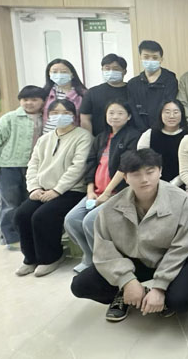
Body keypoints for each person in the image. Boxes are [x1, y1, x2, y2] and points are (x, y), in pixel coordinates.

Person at [70, 149, 188, 321]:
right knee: (80, 285)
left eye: (150, 172)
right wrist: (127, 281)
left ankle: (161, 297)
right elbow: (104, 249)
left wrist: (159, 287)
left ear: (160, 171)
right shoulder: (111, 208)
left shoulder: (182, 201)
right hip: (133, 260)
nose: (144, 179)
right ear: (125, 177)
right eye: (136, 174)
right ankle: (125, 294)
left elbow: (182, 246)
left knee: (182, 300)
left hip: (172, 259)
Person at [13, 100, 92, 277]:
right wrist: (34, 188)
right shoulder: (44, 139)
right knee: (22, 215)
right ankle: (30, 258)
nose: (60, 116)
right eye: (55, 113)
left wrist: (57, 190)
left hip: (71, 190)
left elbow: (78, 167)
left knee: (43, 216)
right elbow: (33, 164)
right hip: (42, 189)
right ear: (48, 116)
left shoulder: (83, 137)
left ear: (73, 115)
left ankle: (51, 258)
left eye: (65, 113)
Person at [64, 101, 140, 273]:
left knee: (91, 221)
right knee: (72, 220)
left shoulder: (133, 136)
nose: (115, 116)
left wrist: (106, 193)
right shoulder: (101, 137)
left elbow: (125, 166)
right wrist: (90, 191)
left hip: (117, 192)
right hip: (95, 192)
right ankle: (90, 257)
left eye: (120, 113)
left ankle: (103, 261)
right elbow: (91, 164)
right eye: (111, 113)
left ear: (128, 116)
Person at [0, 85, 46, 249]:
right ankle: (11, 238)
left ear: (43, 101)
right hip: (8, 167)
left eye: (34, 100)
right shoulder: (9, 118)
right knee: (10, 203)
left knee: (30, 201)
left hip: (35, 167)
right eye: (25, 99)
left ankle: (28, 234)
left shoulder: (46, 118)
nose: (29, 103)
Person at [127, 40, 179, 131]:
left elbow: (169, 106)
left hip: (164, 129)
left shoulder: (170, 80)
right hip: (139, 131)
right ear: (140, 58)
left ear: (161, 59)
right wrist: (143, 131)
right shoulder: (133, 84)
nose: (150, 60)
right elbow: (133, 111)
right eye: (146, 57)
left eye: (155, 57)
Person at [137, 99, 188, 184]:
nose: (171, 116)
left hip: (182, 184)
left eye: (176, 112)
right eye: (167, 112)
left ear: (182, 114)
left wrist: (173, 184)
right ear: (160, 114)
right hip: (153, 183)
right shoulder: (149, 134)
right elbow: (141, 161)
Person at [80, 54, 129, 136]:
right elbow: (85, 119)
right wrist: (89, 139)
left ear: (124, 71)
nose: (111, 71)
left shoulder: (133, 90)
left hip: (130, 138)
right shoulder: (92, 92)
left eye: (116, 69)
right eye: (107, 68)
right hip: (100, 139)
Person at [41, 59, 86, 134]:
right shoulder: (45, 93)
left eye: (64, 72)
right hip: (47, 136)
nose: (59, 75)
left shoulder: (83, 94)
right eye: (54, 72)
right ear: (49, 74)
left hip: (72, 136)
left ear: (72, 74)